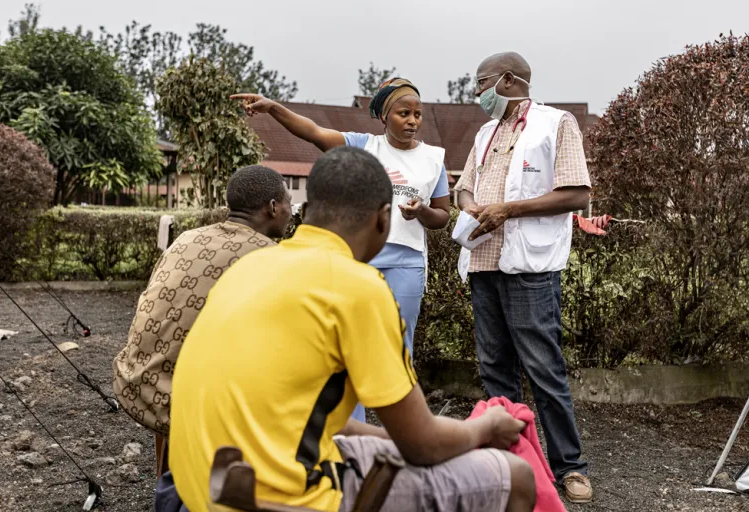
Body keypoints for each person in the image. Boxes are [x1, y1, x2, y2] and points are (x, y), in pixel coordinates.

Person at [162, 147, 536, 512]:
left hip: (203, 488)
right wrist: (485, 429)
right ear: (383, 218)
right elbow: (424, 445)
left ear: (306, 211)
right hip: (281, 499)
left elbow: (312, 418)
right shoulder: (358, 286)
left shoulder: (251, 267)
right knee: (516, 476)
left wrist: (415, 438)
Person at [453, 52, 593, 504]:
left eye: (481, 83)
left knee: (543, 370)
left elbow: (576, 192)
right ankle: (509, 463)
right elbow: (464, 186)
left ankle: (569, 466)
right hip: (483, 262)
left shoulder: (557, 124)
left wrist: (509, 209)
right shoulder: (484, 131)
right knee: (495, 370)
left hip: (529, 269)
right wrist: (472, 205)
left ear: (509, 80)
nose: (477, 93)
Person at [231, 78, 450, 359]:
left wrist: (421, 211)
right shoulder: (363, 146)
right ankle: (355, 404)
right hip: (359, 258)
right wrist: (274, 107)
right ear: (384, 116)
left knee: (398, 342)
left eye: (417, 114)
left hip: (406, 262)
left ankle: (392, 401)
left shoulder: (433, 158)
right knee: (351, 342)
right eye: (403, 113)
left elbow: (442, 216)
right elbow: (314, 132)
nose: (412, 121)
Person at [112, 165, 292, 478]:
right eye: (289, 203)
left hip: (135, 379)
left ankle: (167, 482)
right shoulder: (271, 256)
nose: (292, 212)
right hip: (185, 402)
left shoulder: (186, 238)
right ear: (273, 207)